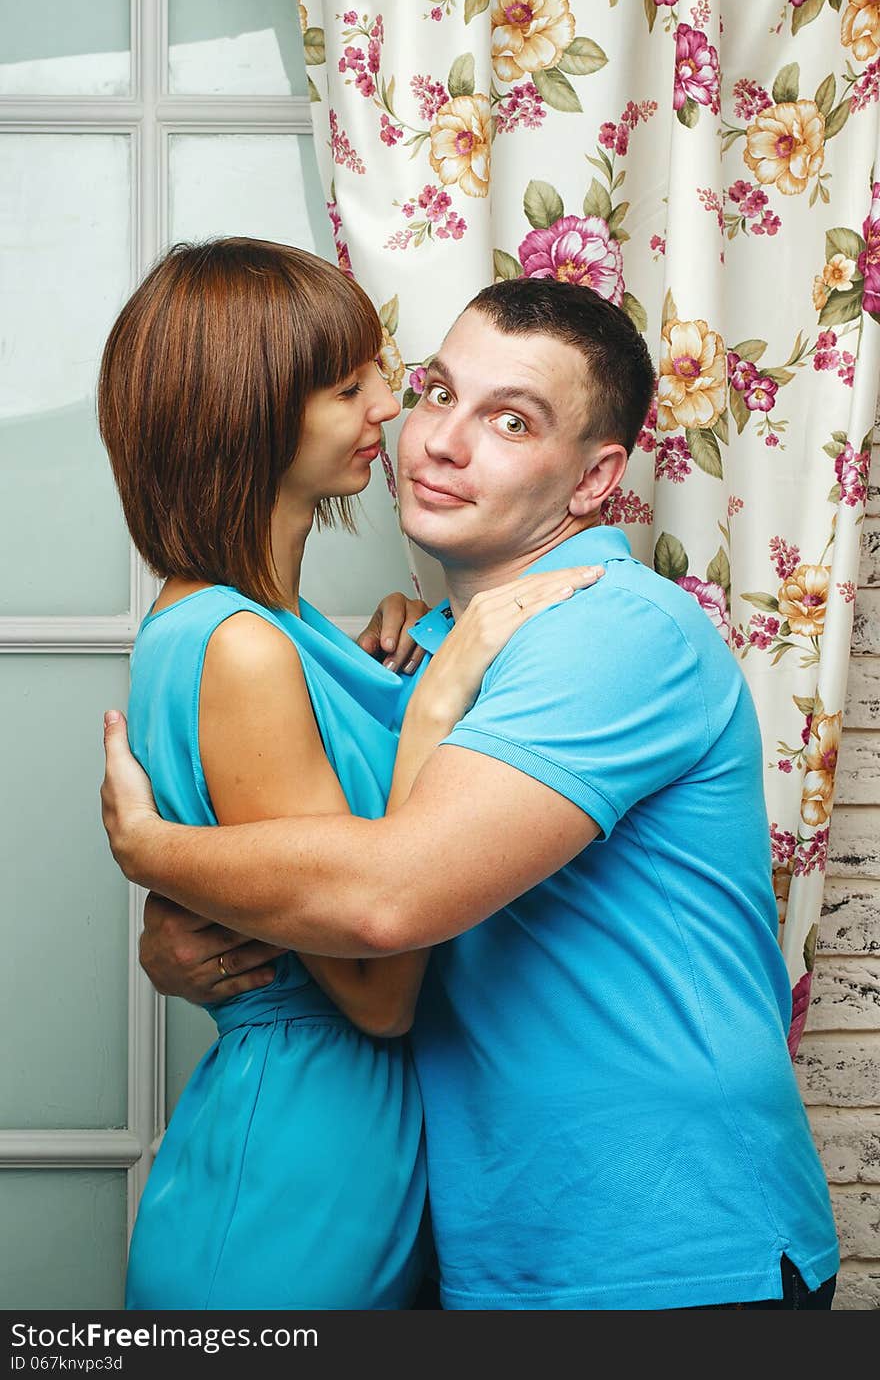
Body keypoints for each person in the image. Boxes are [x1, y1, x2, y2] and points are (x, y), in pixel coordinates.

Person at [102, 276, 840, 1310]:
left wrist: (154, 856)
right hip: (497, 1250)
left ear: (594, 480)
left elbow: (385, 901)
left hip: (661, 1251)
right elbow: (329, 856)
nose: (439, 440)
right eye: (437, 392)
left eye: (509, 420)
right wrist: (194, 931)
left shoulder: (607, 630)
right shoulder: (422, 654)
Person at [97, 240, 602, 1310]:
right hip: (299, 1161)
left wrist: (405, 647)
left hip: (367, 1148)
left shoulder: (280, 629)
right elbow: (374, 995)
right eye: (348, 386)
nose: (392, 406)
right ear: (255, 415)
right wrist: (433, 697)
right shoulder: (237, 645)